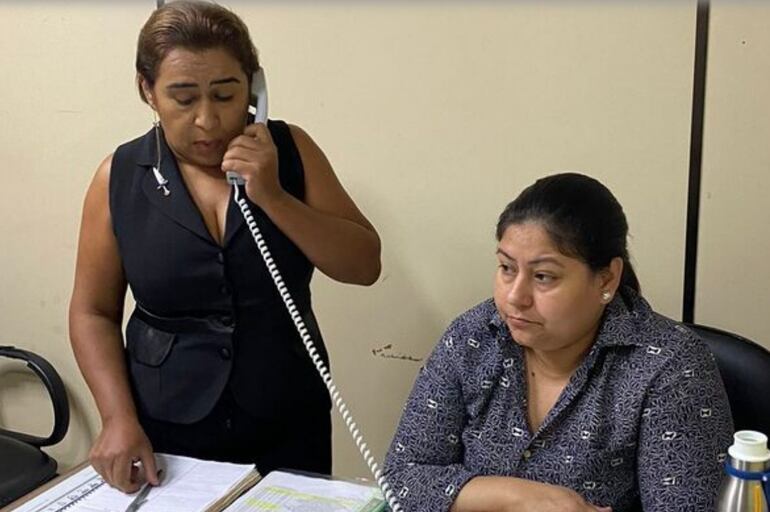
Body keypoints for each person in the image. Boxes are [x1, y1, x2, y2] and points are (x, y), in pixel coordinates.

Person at [69, 0, 381, 493]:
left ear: (254, 88)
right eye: (184, 98)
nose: (208, 121)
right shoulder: (119, 177)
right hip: (166, 418)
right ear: (147, 90)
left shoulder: (291, 151)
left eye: (225, 94)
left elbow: (364, 265)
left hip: (286, 409)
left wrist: (274, 196)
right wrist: (115, 417)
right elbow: (92, 312)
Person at [383, 173, 733, 512]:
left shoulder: (669, 366)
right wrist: (519, 498)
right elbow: (403, 476)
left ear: (607, 278)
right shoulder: (473, 338)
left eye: (543, 277)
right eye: (506, 268)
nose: (514, 297)